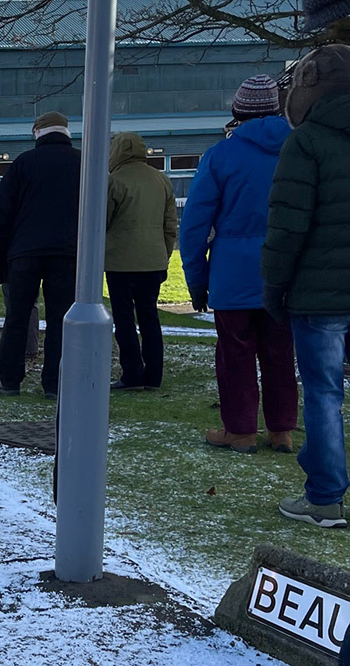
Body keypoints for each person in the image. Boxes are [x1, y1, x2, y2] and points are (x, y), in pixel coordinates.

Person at [180, 74, 297, 455]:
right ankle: (282, 429)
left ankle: (241, 430)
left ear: (237, 112)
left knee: (235, 354)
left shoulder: (220, 155)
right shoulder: (298, 150)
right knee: (281, 353)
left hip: (232, 271)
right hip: (286, 268)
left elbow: (195, 223)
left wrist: (196, 280)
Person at [262, 44, 350, 527]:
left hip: (320, 294)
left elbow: (287, 227)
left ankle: (324, 497)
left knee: (323, 394)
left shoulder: (308, 142)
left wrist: (274, 286)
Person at [0, 111, 81, 399]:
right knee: (60, 319)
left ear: (37, 133)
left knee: (17, 316)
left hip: (24, 251)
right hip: (67, 251)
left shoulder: (23, 164)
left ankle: (10, 379)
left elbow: (2, 213)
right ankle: (55, 383)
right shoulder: (84, 162)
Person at [105, 132, 179, 391]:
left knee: (124, 319)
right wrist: (164, 254)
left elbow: (103, 221)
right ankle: (154, 375)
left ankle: (132, 373)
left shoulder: (114, 181)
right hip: (153, 261)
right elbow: (170, 225)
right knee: (149, 317)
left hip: (120, 263)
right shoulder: (161, 179)